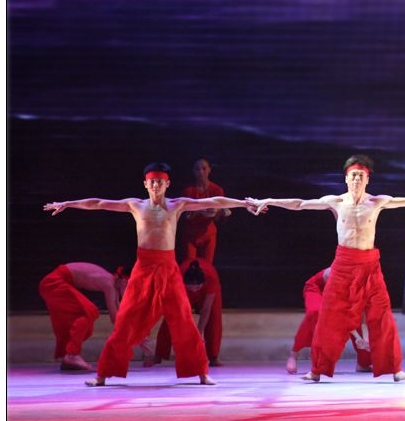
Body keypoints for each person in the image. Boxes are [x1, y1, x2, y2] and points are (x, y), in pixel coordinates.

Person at [249, 155, 405, 383]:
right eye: (353, 175)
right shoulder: (336, 202)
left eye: (361, 175)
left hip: (370, 265)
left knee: (382, 315)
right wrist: (268, 200)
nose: (357, 179)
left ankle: (395, 368)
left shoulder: (376, 201)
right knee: (329, 318)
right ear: (346, 179)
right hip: (343, 265)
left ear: (367, 179)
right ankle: (317, 369)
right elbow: (300, 204)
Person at [44, 162, 252, 386]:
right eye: (152, 182)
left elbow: (214, 202)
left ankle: (201, 372)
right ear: (145, 184)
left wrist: (245, 203)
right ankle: (102, 375)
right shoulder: (135, 205)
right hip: (143, 269)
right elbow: (99, 203)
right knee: (125, 321)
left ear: (167, 184)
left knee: (183, 320)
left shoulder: (177, 205)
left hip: (168, 269)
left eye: (160, 182)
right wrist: (67, 204)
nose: (155, 185)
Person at [37, 262, 127, 371]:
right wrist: (134, 336)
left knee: (74, 322)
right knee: (88, 312)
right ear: (123, 280)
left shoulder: (112, 284)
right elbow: (115, 319)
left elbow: (119, 314)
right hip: (53, 283)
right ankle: (72, 355)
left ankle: (67, 356)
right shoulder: (109, 282)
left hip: (51, 283)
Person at [287, 267, 371, 375]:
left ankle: (363, 363)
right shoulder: (335, 275)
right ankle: (294, 354)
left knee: (361, 317)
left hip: (340, 294)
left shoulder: (364, 286)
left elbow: (361, 316)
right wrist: (357, 336)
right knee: (315, 312)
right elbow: (342, 315)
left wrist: (364, 339)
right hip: (317, 288)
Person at [148, 257, 223, 368]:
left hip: (207, 289)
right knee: (171, 316)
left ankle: (213, 356)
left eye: (197, 287)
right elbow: (182, 311)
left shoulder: (211, 278)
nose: (194, 290)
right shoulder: (178, 278)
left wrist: (199, 333)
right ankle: (159, 355)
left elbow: (206, 310)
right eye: (191, 287)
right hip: (183, 290)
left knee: (214, 317)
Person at [179, 157, 231, 264]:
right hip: (190, 233)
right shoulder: (188, 191)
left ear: (209, 170)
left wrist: (219, 212)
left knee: (207, 266)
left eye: (204, 168)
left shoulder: (217, 190)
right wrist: (198, 211)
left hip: (208, 234)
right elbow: (185, 216)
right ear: (193, 171)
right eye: (197, 169)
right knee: (189, 264)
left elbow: (220, 216)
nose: (201, 172)